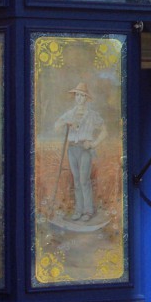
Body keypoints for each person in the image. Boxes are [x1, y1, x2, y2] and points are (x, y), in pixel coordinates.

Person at [54, 82, 107, 221]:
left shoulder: (92, 115)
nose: (79, 98)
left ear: (86, 98)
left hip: (85, 150)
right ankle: (79, 210)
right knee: (77, 180)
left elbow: (104, 132)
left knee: (84, 180)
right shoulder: (69, 114)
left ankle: (88, 211)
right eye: (77, 95)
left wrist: (93, 144)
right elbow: (56, 127)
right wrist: (66, 123)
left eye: (82, 95)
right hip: (72, 149)